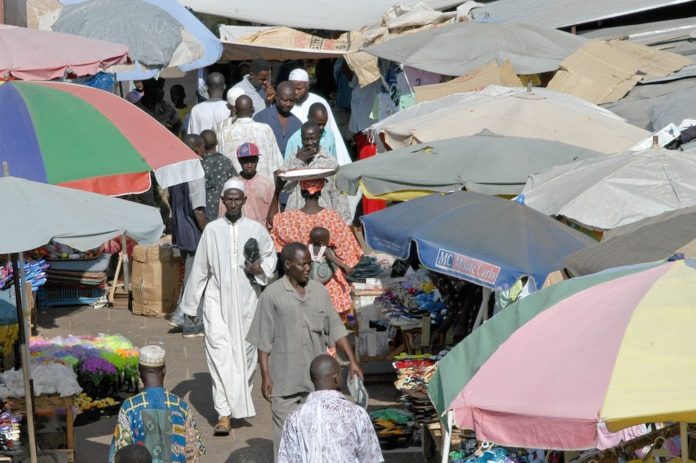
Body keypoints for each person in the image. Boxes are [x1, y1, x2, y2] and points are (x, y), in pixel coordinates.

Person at [246, 242, 363, 460]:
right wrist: (265, 376)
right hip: (284, 381)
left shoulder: (318, 292)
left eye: (310, 263)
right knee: (284, 437)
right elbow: (263, 341)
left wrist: (353, 361)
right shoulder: (272, 295)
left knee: (316, 435)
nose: (308, 268)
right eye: (303, 264)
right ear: (288, 265)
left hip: (316, 385)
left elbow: (336, 328)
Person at [181, 178, 277, 436]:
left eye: (238, 199)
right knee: (219, 354)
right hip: (216, 301)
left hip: (248, 302)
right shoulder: (212, 230)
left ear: (244, 201)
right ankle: (223, 413)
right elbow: (200, 268)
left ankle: (237, 405)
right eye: (229, 199)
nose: (233, 203)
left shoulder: (256, 229)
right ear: (222, 202)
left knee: (245, 356)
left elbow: (271, 257)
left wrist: (261, 270)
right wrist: (191, 306)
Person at [273, 180, 362, 317]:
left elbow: (271, 222)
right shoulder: (333, 218)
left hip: (299, 285)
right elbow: (349, 255)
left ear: (302, 193)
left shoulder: (287, 220)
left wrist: (278, 189)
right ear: (321, 192)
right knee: (331, 333)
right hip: (330, 289)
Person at [278, 355, 384, 463]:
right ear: (336, 379)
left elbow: (288, 459)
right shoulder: (356, 414)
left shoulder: (294, 417)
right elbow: (371, 458)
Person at [109, 345, 205, 463]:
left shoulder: (129, 407)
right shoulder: (181, 406)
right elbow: (193, 451)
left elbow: (120, 451)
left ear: (139, 372)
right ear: (164, 370)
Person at [270, 122, 352, 225]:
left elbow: (339, 197)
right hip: (296, 219)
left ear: (319, 137)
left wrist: (345, 223)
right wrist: (298, 161)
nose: (309, 143)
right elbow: (284, 186)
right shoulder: (294, 157)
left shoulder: (330, 162)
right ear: (301, 137)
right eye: (306, 139)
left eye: (313, 139)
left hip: (322, 220)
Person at [168, 134, 208, 338]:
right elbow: (198, 210)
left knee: (190, 277)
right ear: (198, 149)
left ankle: (180, 315)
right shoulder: (196, 170)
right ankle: (189, 321)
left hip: (180, 231)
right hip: (194, 232)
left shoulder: (175, 170)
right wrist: (209, 231)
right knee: (195, 280)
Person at [288, 68, 351, 166]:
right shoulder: (286, 105)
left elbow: (331, 131)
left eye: (299, 88)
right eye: (293, 88)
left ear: (307, 86)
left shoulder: (320, 102)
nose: (295, 92)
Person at [216, 95, 284, 183]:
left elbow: (220, 163)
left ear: (235, 110)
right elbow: (278, 165)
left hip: (234, 190)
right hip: (263, 189)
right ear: (253, 109)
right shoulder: (265, 129)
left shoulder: (224, 132)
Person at [228, 143, 275, 226]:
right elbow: (223, 214)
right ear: (239, 161)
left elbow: (274, 216)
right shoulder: (231, 185)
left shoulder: (267, 185)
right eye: (245, 161)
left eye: (252, 161)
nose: (249, 165)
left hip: (261, 234)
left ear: (257, 160)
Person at [254, 81, 302, 156]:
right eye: (285, 100)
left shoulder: (298, 124)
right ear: (276, 96)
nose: (288, 104)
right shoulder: (261, 118)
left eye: (291, 100)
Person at [199, 130, 236, 222]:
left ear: (201, 144)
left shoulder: (200, 165)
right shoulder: (227, 162)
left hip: (207, 211)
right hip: (226, 207)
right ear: (217, 142)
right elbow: (235, 182)